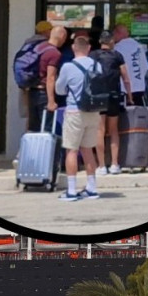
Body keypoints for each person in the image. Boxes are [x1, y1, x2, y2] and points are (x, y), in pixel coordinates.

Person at [54, 35, 102, 201]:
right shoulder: (96, 65)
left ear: (73, 48)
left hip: (75, 110)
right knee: (88, 149)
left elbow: (59, 89)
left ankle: (72, 190)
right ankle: (92, 188)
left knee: (72, 150)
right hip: (93, 111)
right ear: (88, 48)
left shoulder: (68, 66)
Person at [89, 31, 133, 176]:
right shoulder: (117, 56)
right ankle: (114, 164)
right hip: (114, 95)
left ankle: (101, 165)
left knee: (99, 130)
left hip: (98, 96)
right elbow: (125, 78)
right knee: (113, 130)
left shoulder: (93, 55)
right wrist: (130, 96)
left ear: (100, 41)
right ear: (112, 41)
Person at [29, 26, 67, 129]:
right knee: (47, 128)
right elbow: (51, 77)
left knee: (34, 128)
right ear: (62, 36)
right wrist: (51, 101)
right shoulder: (54, 53)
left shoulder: (39, 48)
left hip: (32, 92)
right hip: (44, 94)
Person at [112, 24, 148, 105]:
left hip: (125, 90)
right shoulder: (139, 47)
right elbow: (145, 67)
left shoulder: (117, 48)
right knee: (140, 111)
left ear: (117, 33)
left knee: (127, 112)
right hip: (141, 87)